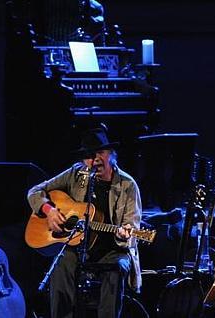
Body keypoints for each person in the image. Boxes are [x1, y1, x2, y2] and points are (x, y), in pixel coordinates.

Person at [27, 127, 142, 318]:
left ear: (112, 155)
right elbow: (34, 191)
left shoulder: (128, 185)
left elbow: (132, 228)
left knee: (116, 269)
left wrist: (125, 233)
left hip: (113, 250)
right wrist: (50, 210)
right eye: (89, 155)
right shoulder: (76, 174)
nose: (95, 159)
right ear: (83, 161)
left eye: (100, 152)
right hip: (79, 247)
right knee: (60, 265)